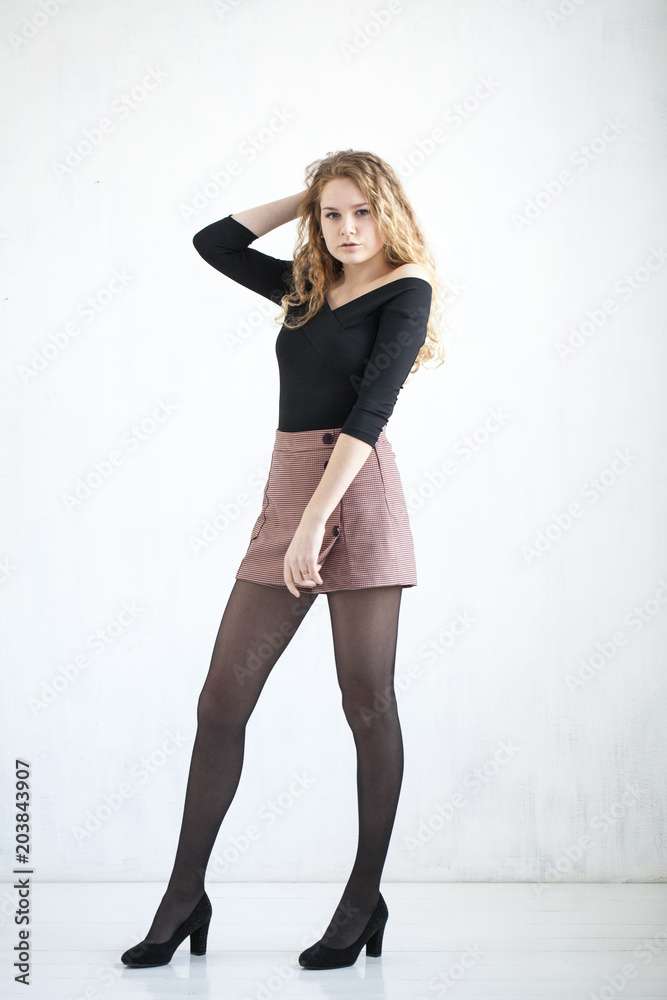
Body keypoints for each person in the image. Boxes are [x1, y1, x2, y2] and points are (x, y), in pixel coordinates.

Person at [121, 148, 443, 971]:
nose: (345, 229)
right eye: (331, 214)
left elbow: (371, 411)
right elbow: (213, 243)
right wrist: (312, 189)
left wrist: (313, 525)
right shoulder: (305, 289)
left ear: (389, 213)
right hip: (289, 491)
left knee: (366, 702)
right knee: (220, 702)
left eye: (361, 212)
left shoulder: (406, 288)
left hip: (355, 492)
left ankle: (361, 898)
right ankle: (183, 896)